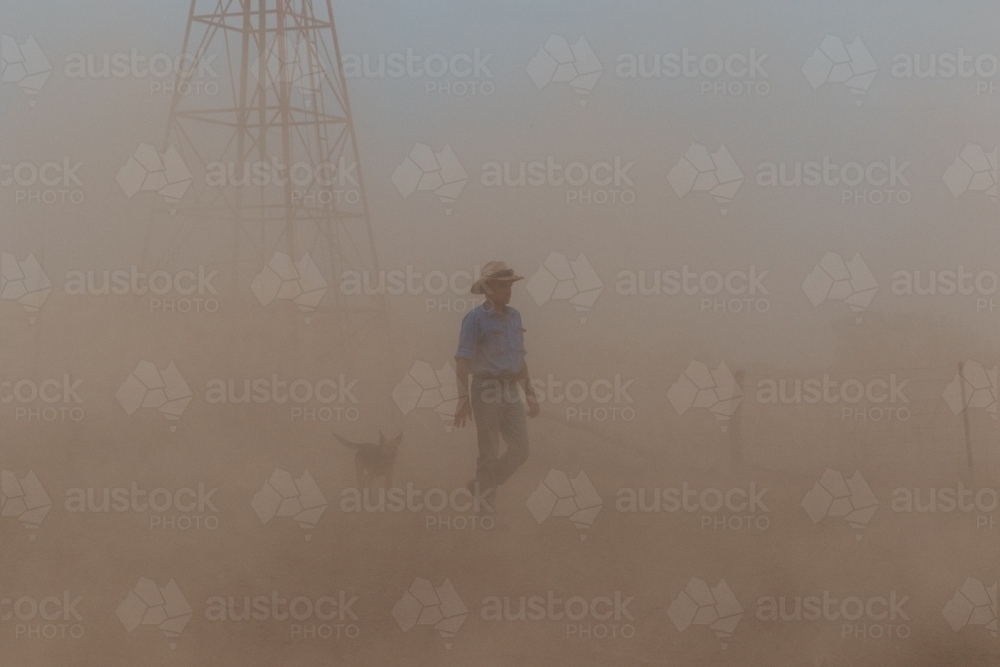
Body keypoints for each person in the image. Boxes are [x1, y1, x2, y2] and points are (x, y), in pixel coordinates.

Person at [454, 261, 540, 513]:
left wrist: (530, 394)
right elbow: (462, 360)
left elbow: (520, 358)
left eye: (510, 285)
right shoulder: (474, 319)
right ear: (489, 288)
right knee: (489, 453)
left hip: (511, 390)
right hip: (485, 391)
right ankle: (486, 511)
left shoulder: (515, 317)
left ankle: (483, 487)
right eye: (503, 286)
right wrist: (463, 397)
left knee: (521, 450)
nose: (509, 290)